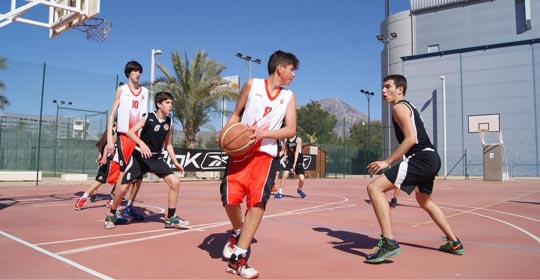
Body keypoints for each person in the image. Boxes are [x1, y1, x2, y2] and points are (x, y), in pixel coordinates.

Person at [364, 74, 463, 263]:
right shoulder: (410, 106)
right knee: (425, 202)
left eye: (387, 87)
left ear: (400, 89)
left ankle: (389, 243)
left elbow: (411, 139)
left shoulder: (399, 107)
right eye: (382, 87)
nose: (383, 91)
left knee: (374, 188)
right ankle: (454, 242)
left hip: (421, 158)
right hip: (431, 157)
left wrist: (388, 161)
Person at [219, 50, 299, 279]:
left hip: (265, 155)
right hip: (240, 153)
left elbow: (290, 129)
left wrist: (263, 133)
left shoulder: (289, 96)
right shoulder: (251, 84)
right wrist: (224, 133)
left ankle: (239, 258)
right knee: (230, 201)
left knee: (257, 203)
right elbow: (236, 115)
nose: (293, 75)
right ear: (280, 68)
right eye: (291, 69)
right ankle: (238, 231)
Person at [104, 91, 189, 229]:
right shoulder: (148, 117)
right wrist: (141, 144)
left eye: (171, 103)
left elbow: (168, 144)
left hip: (156, 158)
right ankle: (112, 214)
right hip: (139, 158)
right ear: (159, 104)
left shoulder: (170, 121)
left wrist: (175, 161)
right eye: (167, 103)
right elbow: (130, 132)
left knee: (175, 182)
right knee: (124, 187)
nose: (170, 106)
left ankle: (170, 218)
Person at [103, 60, 148, 227]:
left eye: (139, 71)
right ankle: (112, 213)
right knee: (123, 177)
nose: (137, 74)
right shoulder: (121, 90)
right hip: (123, 137)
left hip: (138, 138)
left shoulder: (145, 92)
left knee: (139, 177)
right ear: (128, 73)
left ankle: (129, 206)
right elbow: (112, 114)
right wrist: (109, 139)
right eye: (134, 71)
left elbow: (144, 117)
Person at [74, 123, 118, 210]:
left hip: (117, 161)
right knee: (99, 180)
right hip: (110, 160)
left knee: (119, 180)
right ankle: (83, 198)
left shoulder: (120, 132)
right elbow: (104, 145)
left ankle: (112, 199)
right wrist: (103, 157)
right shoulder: (114, 133)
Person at [275, 135, 306, 199]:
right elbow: (283, 151)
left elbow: (297, 152)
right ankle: (280, 192)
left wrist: (294, 164)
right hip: (290, 159)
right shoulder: (286, 140)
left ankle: (299, 190)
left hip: (298, 160)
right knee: (285, 175)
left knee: (302, 179)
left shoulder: (298, 139)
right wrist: (276, 156)